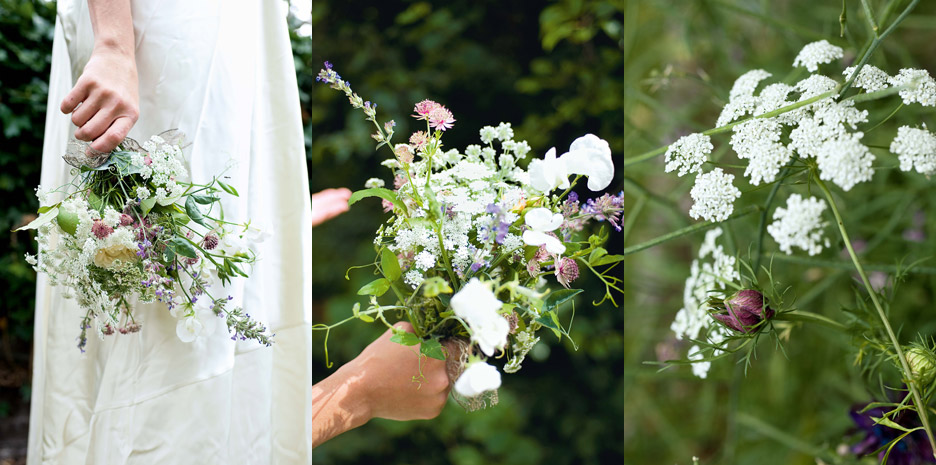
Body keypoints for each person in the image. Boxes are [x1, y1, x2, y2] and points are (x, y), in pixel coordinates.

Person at [29, 1, 449, 463]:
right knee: (170, 338)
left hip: (232, 31)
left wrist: (254, 239)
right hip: (166, 33)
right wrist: (113, 42)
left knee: (209, 319)